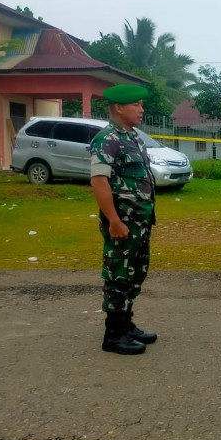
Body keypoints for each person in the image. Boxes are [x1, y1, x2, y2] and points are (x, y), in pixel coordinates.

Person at [90, 84, 158, 355]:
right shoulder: (107, 139)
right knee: (118, 276)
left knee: (134, 274)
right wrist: (114, 221)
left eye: (142, 104)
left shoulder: (133, 137)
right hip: (122, 223)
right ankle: (114, 335)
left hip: (139, 222)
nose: (141, 109)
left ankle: (126, 325)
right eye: (136, 105)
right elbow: (99, 181)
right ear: (118, 107)